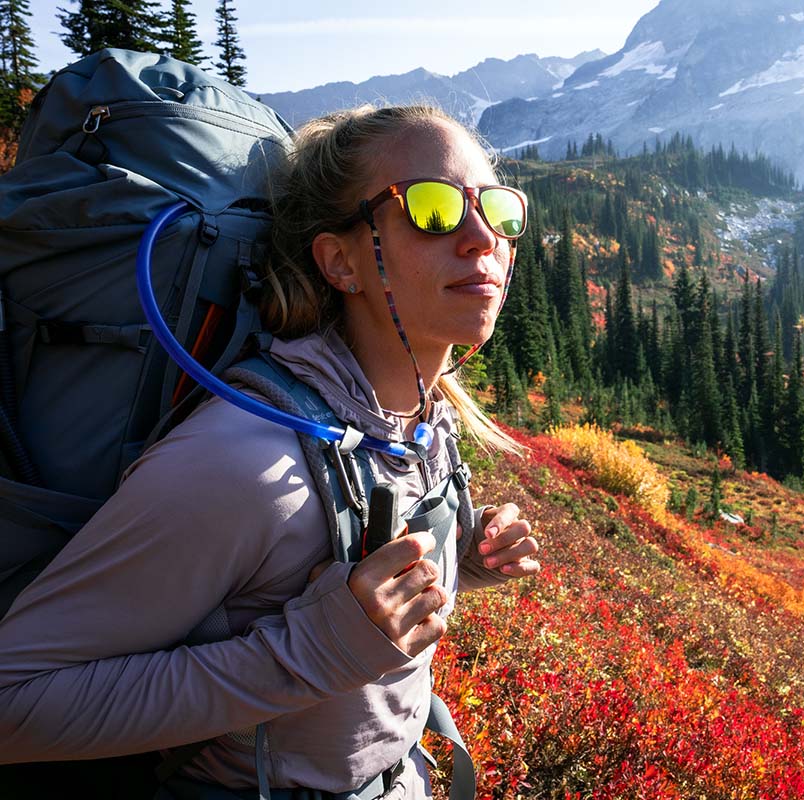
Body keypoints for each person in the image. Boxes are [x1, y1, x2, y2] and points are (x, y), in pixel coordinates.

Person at [0, 104, 540, 799]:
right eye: (432, 209)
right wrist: (309, 653)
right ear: (340, 261)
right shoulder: (245, 463)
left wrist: (459, 557)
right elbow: (14, 703)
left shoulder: (419, 422)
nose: (480, 238)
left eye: (497, 209)